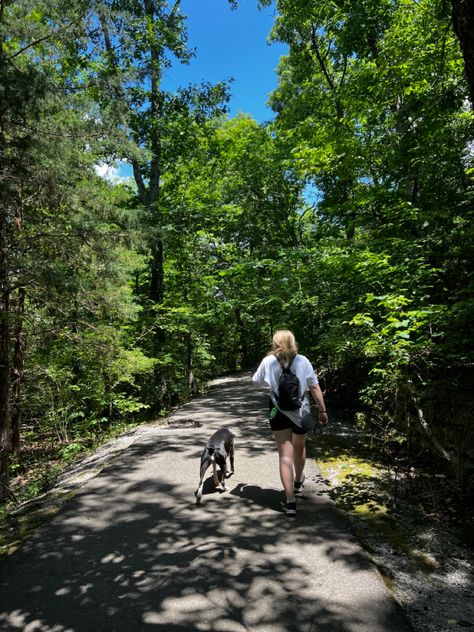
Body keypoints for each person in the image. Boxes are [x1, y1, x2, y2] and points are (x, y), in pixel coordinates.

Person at [252, 330, 328, 516]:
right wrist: (323, 410)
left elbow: (256, 382)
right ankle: (297, 482)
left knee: (284, 455)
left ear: (275, 342)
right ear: (293, 342)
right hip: (301, 410)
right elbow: (314, 386)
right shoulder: (303, 360)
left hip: (278, 411)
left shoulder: (268, 361)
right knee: (299, 446)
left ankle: (290, 502)